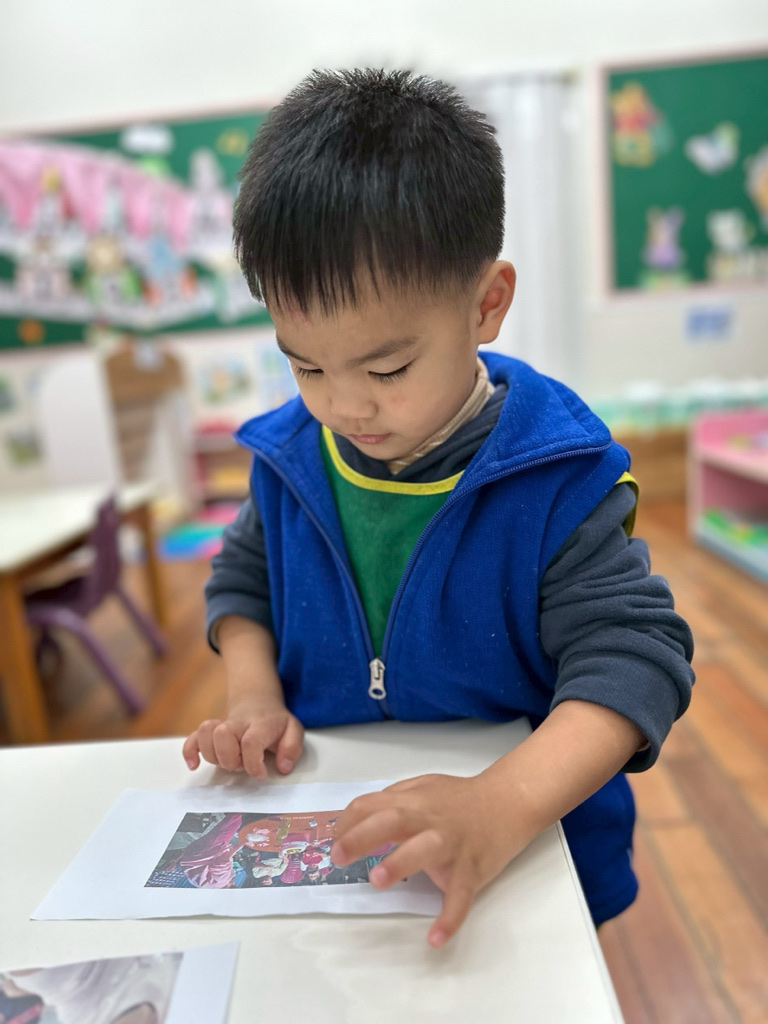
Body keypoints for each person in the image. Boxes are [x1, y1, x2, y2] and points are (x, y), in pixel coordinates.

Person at [182, 68, 694, 947]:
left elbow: (636, 659)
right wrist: (253, 693)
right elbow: (244, 580)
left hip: (528, 850)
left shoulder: (558, 476)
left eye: (386, 369)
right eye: (305, 365)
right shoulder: (289, 459)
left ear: (486, 304)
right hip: (347, 845)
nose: (345, 405)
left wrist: (500, 804)